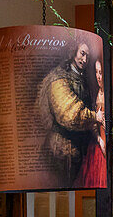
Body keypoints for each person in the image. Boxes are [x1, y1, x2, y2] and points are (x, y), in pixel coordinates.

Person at [38, 42, 104, 186]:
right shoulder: (59, 78)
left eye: (87, 55)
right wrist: (94, 116)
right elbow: (69, 113)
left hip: (80, 148)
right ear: (74, 52)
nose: (85, 60)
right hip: (61, 149)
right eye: (82, 53)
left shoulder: (82, 78)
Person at [77, 60, 108, 188]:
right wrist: (99, 139)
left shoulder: (106, 94)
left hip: (107, 143)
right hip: (98, 143)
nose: (98, 77)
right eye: (96, 72)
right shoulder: (97, 94)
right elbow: (93, 124)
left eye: (101, 72)